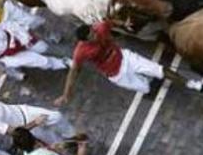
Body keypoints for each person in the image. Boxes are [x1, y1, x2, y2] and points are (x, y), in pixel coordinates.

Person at [56, 21, 192, 105]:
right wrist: (66, 94)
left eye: (94, 32)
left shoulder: (100, 27)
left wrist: (123, 24)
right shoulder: (80, 52)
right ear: (85, 41)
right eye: (91, 36)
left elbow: (110, 22)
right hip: (116, 73)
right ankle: (148, 84)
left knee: (160, 70)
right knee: (146, 88)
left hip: (126, 57)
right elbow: (74, 72)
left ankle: (191, 83)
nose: (95, 36)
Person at [0, 90, 76, 145]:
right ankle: (71, 146)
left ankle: (72, 135)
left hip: (25, 110)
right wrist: (35, 122)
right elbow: (16, 133)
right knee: (54, 140)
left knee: (57, 116)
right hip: (29, 127)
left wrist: (3, 99)